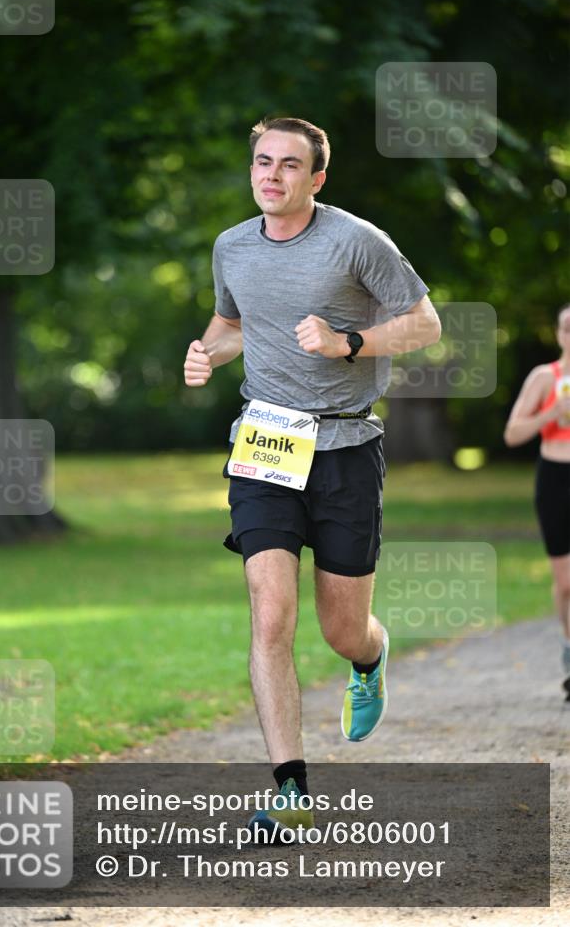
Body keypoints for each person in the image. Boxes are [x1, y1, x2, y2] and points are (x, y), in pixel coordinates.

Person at [183, 117, 441, 840]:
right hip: (264, 442)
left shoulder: (355, 241)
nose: (271, 175)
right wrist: (205, 353)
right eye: (262, 162)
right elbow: (232, 324)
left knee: (339, 627)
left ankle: (370, 655)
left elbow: (424, 324)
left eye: (289, 165)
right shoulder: (231, 245)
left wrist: (347, 342)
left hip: (345, 448)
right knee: (270, 614)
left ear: (317, 179)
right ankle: (289, 791)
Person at [504, 304, 570, 699]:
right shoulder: (546, 378)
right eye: (567, 328)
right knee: (565, 585)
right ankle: (568, 647)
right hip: (555, 480)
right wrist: (552, 413)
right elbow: (512, 433)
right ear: (559, 333)